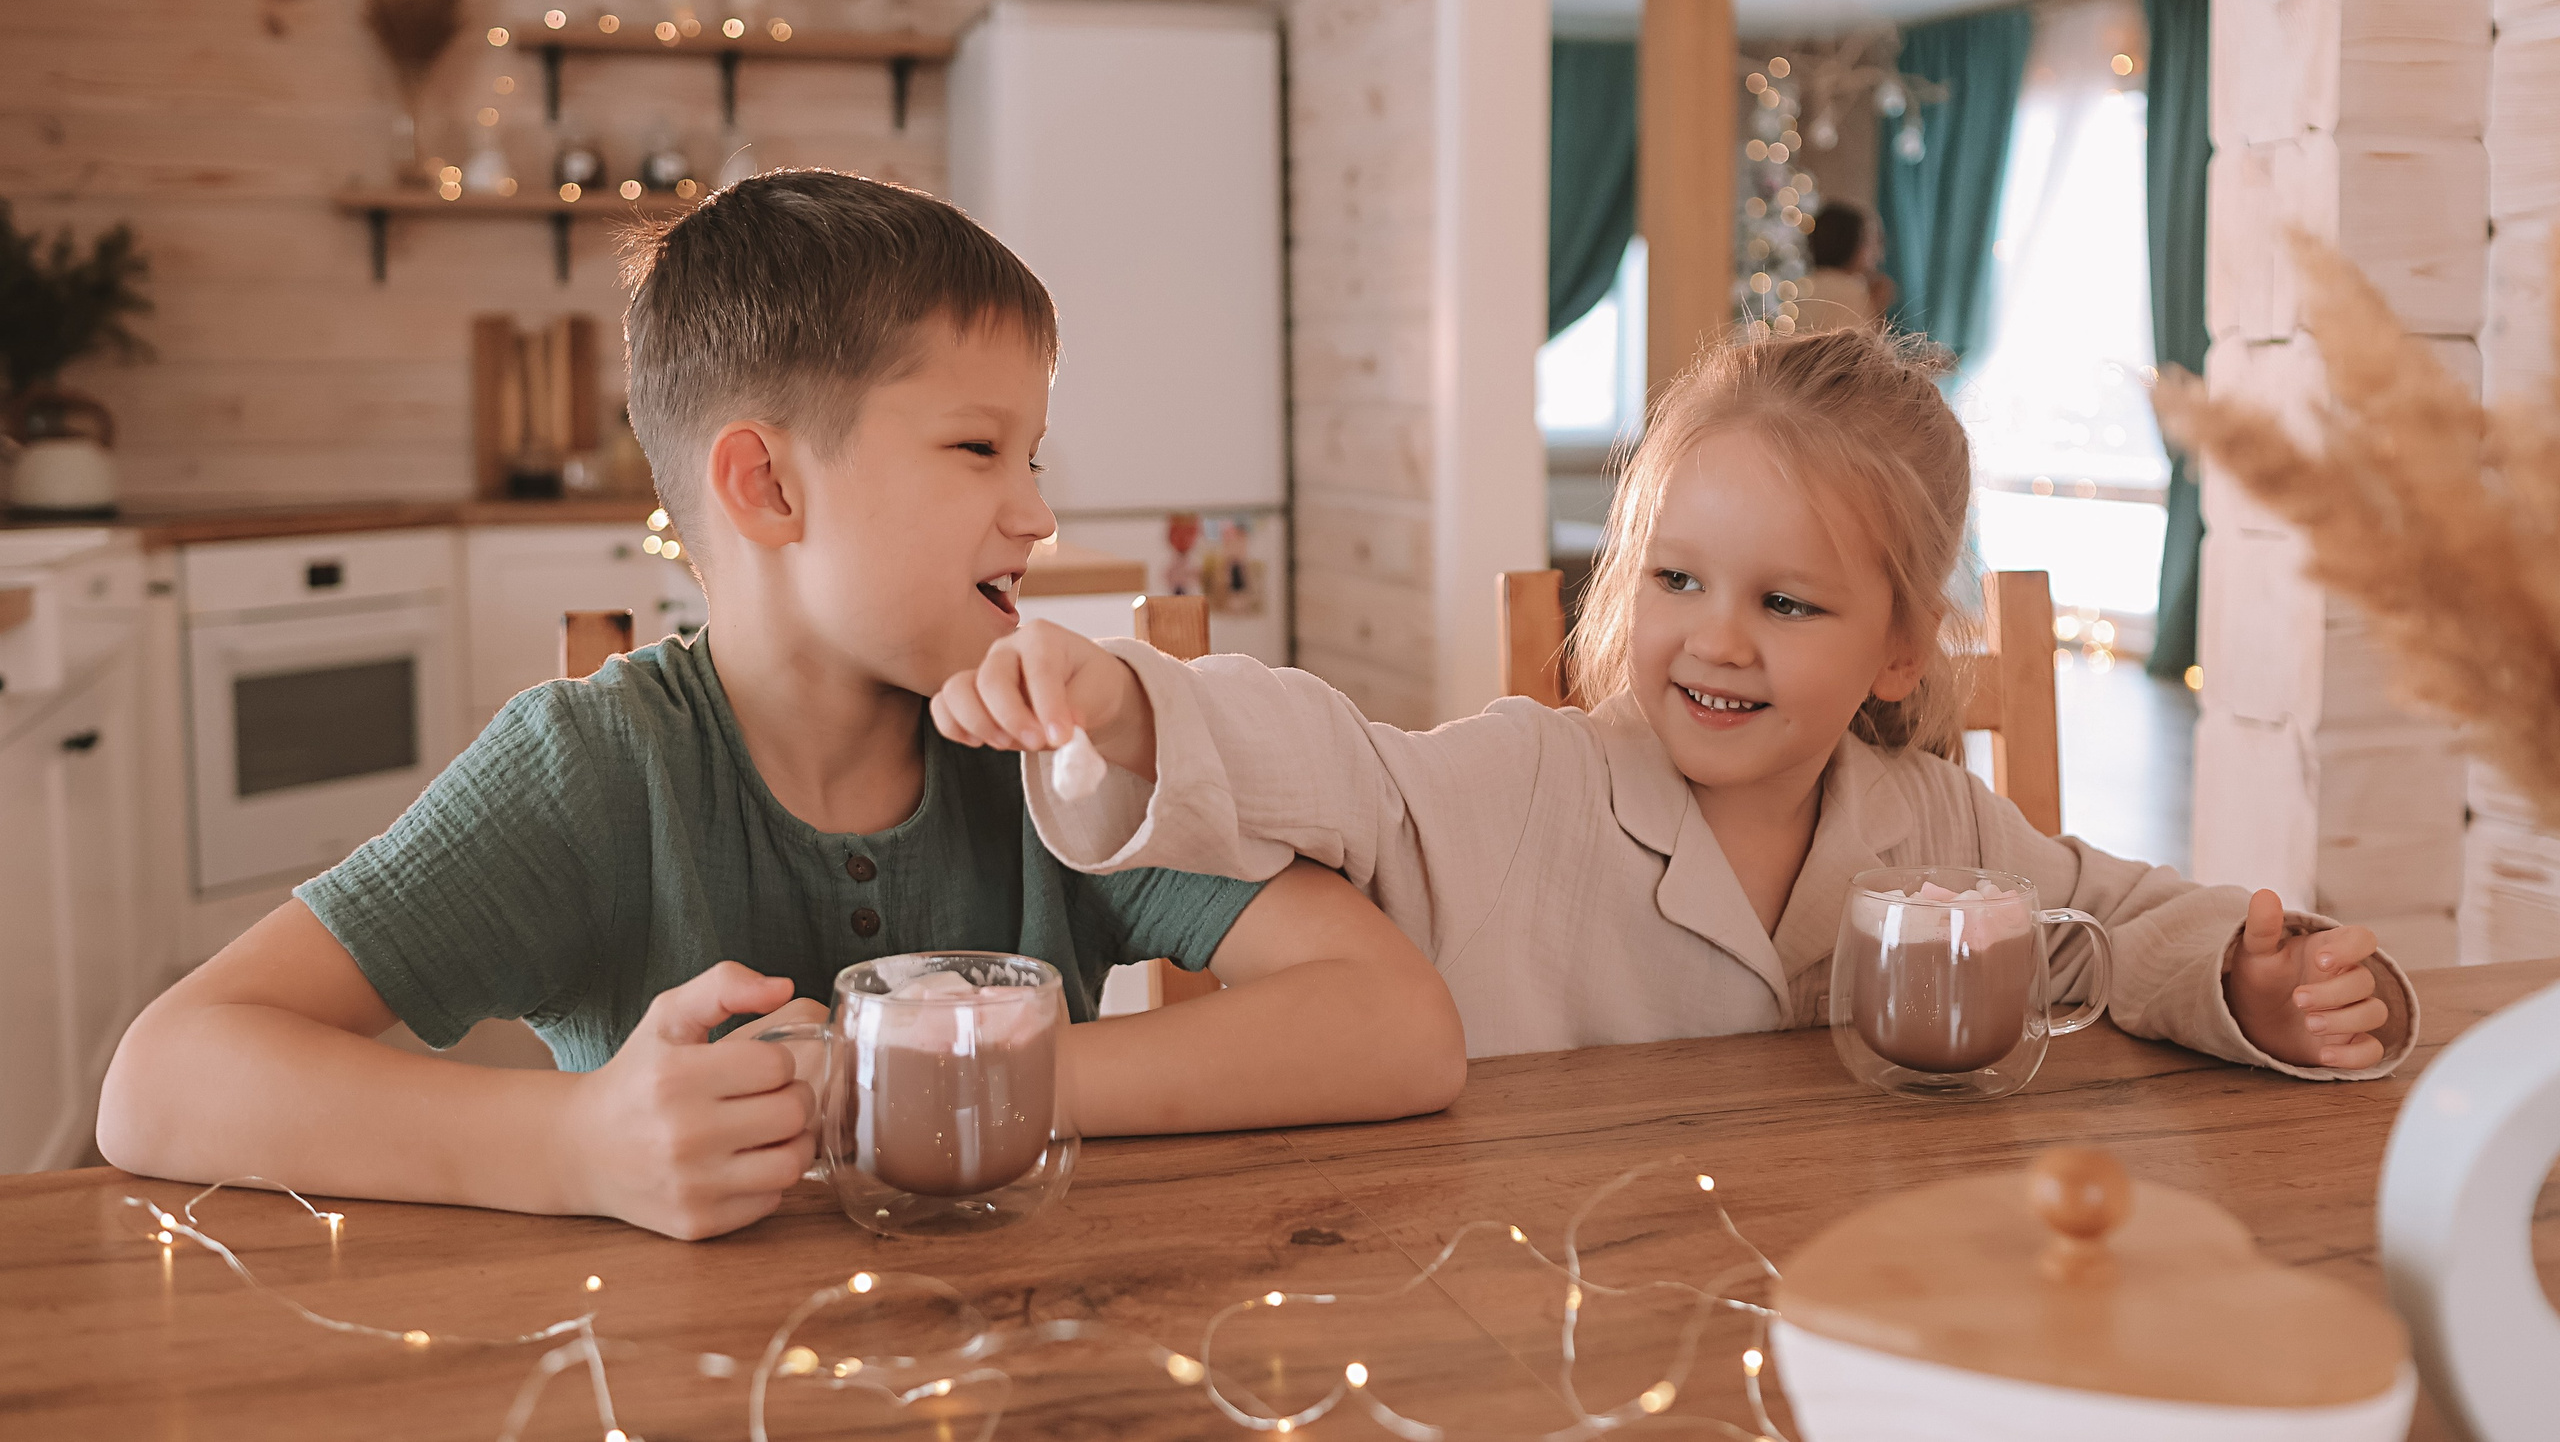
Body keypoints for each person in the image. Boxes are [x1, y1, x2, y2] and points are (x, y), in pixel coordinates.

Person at [98, 172, 1465, 1238]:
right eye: (980, 446)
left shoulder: (1045, 743)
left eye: (1034, 453)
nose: (1039, 513)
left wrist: (928, 1082)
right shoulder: (597, 768)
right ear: (765, 484)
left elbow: (1395, 1022)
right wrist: (577, 1146)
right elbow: (164, 1076)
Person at [934, 329, 2416, 1073]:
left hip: (1839, 1283)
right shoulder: (1528, 779)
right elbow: (1339, 765)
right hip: (1541, 1297)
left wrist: (2246, 982)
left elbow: (2122, 926)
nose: (1717, 640)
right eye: (1677, 581)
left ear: (1901, 649)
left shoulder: (1935, 824)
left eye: (1787, 603)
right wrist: (1126, 702)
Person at [1795, 201, 1895, 334]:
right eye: (1870, 241)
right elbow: (1864, 349)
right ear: (1850, 242)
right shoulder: (1851, 291)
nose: (1878, 253)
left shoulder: (1810, 283)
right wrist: (1878, 310)